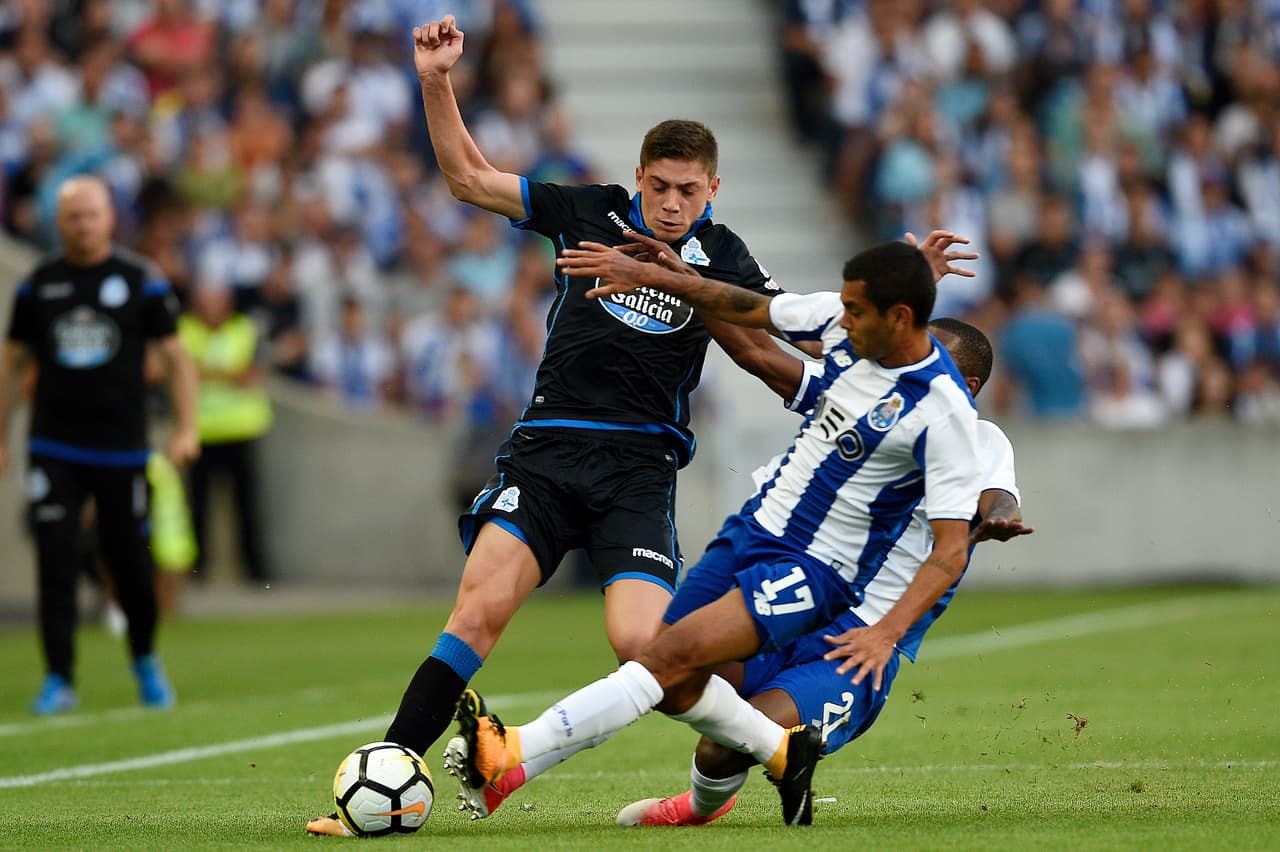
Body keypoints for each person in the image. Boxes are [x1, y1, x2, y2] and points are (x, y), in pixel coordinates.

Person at [306, 14, 812, 837]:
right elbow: (470, 179)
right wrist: (436, 81)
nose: (673, 202)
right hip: (546, 455)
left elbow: (773, 338)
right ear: (639, 178)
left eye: (690, 190)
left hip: (638, 471)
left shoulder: (724, 260)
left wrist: (689, 281)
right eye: (661, 187)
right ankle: (382, 786)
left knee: (643, 647)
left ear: (712, 190)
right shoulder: (591, 211)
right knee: (474, 615)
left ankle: (780, 750)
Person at [450, 238, 983, 826]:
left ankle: (513, 751)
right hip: (753, 531)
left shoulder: (945, 414)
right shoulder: (843, 324)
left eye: (857, 311)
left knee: (670, 659)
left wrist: (886, 633)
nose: (842, 318)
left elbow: (951, 551)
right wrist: (671, 277)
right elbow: (746, 308)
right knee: (665, 668)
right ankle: (783, 754)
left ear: (899, 318)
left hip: (817, 571)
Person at [613, 318, 1034, 827]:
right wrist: (698, 287)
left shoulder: (979, 440)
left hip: (862, 640)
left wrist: (999, 515)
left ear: (967, 386)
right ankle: (525, 758)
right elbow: (766, 358)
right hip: (800, 598)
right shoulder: (872, 411)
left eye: (929, 358)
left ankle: (695, 807)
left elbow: (998, 494)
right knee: (668, 668)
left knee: (729, 744)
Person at [0, 174, 198, 714]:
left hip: (122, 447)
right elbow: (13, 361)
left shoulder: (141, 280)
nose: (83, 224)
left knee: (130, 560)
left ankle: (144, 659)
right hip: (55, 445)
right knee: (55, 557)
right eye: (73, 216)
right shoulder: (38, 284)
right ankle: (58, 677)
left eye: (92, 214)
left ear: (110, 218)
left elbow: (177, 358)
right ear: (59, 223)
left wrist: (187, 428)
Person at [177, 283, 273, 584]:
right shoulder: (184, 329)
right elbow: (182, 371)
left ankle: (256, 572)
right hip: (201, 431)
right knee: (198, 508)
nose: (212, 310)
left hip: (241, 430)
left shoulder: (245, 329)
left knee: (248, 507)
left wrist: (206, 372)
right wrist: (228, 373)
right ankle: (197, 571)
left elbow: (252, 374)